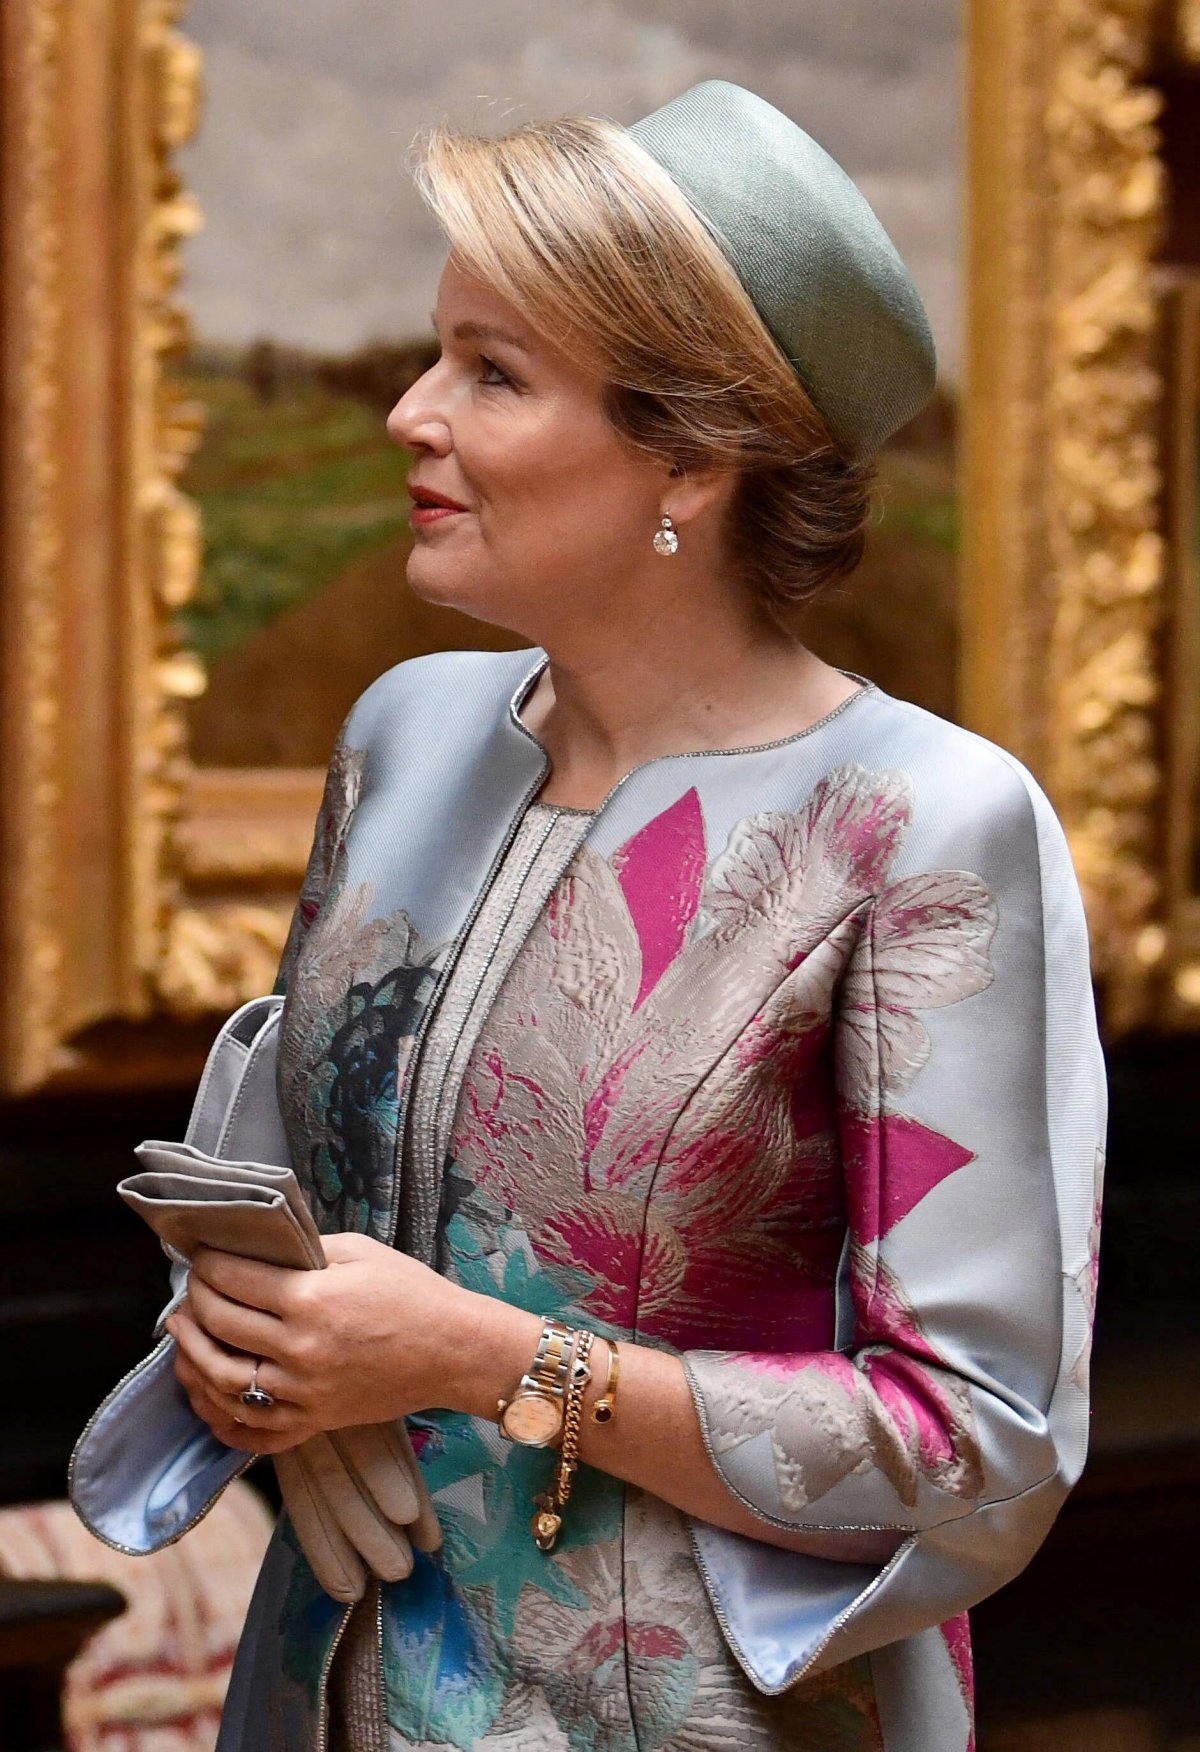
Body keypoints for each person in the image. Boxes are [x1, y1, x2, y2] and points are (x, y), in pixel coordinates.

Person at [160, 80, 1108, 1751]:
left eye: (493, 371)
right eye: (436, 347)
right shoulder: (404, 733)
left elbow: (971, 1436)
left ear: (694, 448)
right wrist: (265, 1367)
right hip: (317, 1696)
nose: (407, 411)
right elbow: (295, 1202)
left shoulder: (920, 828)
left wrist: (475, 1358)